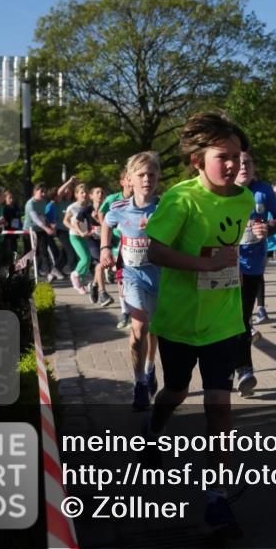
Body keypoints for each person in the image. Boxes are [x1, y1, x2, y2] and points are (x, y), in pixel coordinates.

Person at [142, 111, 255, 537]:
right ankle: (154, 427)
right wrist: (201, 263)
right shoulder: (180, 199)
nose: (232, 165)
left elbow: (230, 251)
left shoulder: (244, 200)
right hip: (178, 321)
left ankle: (217, 498)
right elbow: (154, 251)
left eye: (236, 156)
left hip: (223, 323)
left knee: (219, 407)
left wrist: (233, 275)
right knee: (175, 390)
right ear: (196, 160)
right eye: (222, 157)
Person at [101, 152, 162, 411]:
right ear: (130, 179)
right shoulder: (119, 208)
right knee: (139, 328)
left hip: (159, 276)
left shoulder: (165, 207)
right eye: (141, 175)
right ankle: (138, 383)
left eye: (151, 174)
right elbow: (106, 222)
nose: (147, 179)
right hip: (131, 275)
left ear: (158, 177)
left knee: (154, 330)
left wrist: (158, 227)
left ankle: (149, 369)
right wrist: (105, 248)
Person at [234, 150, 276, 397]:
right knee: (231, 318)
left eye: (248, 162)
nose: (243, 167)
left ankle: (244, 370)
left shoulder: (263, 190)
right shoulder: (221, 191)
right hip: (224, 264)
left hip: (252, 264)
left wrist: (267, 227)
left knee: (242, 317)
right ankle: (236, 366)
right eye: (239, 163)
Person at [101, 171, 134, 328]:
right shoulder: (113, 200)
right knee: (121, 278)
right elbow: (102, 217)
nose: (131, 182)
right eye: (128, 178)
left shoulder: (149, 200)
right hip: (117, 241)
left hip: (137, 247)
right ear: (122, 182)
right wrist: (105, 244)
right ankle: (124, 312)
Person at [24, 183, 64, 281]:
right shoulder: (30, 203)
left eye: (44, 192)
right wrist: (47, 229)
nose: (43, 194)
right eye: (41, 191)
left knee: (44, 252)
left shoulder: (43, 202)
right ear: (35, 191)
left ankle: (48, 273)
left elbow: (43, 217)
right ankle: (24, 273)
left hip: (40, 231)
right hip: (29, 231)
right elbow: (35, 219)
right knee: (30, 254)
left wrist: (50, 226)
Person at [63, 184, 94, 294]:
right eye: (82, 192)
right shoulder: (72, 207)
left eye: (86, 192)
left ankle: (80, 282)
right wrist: (74, 229)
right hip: (75, 236)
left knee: (88, 259)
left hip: (86, 235)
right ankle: (75, 275)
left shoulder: (90, 205)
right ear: (76, 195)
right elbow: (65, 221)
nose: (84, 194)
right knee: (84, 258)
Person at [2, 189, 23, 258]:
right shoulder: (4, 208)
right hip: (6, 233)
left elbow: (17, 219)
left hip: (14, 232)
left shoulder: (16, 208)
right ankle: (6, 263)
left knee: (14, 249)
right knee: (7, 249)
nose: (11, 200)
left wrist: (19, 226)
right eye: (9, 198)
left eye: (12, 198)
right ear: (5, 198)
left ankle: (13, 264)